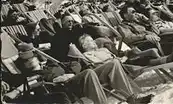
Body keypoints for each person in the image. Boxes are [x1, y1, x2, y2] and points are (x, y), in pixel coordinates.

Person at [14, 43, 153, 104]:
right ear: (23, 65)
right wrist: (57, 79)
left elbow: (75, 64)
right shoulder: (32, 75)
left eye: (31, 58)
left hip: (76, 77)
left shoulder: (51, 64)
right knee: (88, 73)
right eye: (26, 62)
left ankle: (132, 98)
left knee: (113, 63)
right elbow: (34, 85)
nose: (30, 62)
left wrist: (71, 72)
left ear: (36, 57)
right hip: (67, 87)